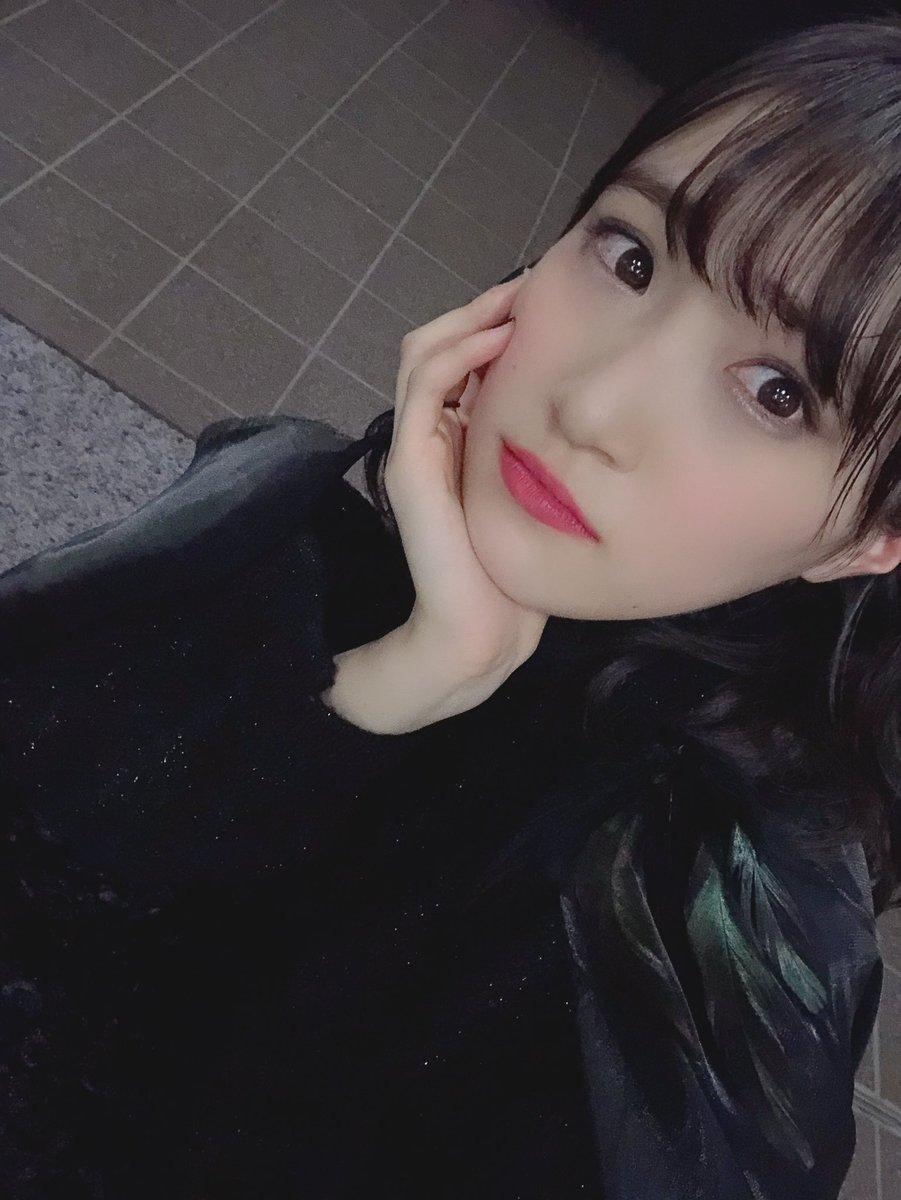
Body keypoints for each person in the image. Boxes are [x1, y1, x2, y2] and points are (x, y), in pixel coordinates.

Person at [0, 14, 898, 1200]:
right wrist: (386, 687)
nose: (591, 404)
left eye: (778, 393)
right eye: (630, 259)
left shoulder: (704, 958)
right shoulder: (290, 539)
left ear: (869, 538)